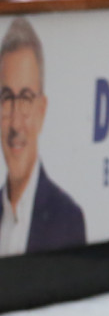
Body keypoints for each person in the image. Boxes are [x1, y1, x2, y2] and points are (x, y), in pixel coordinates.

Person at [0, 17, 86, 255]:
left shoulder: (67, 220)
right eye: (7, 99)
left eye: (26, 99)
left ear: (41, 110)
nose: (15, 122)